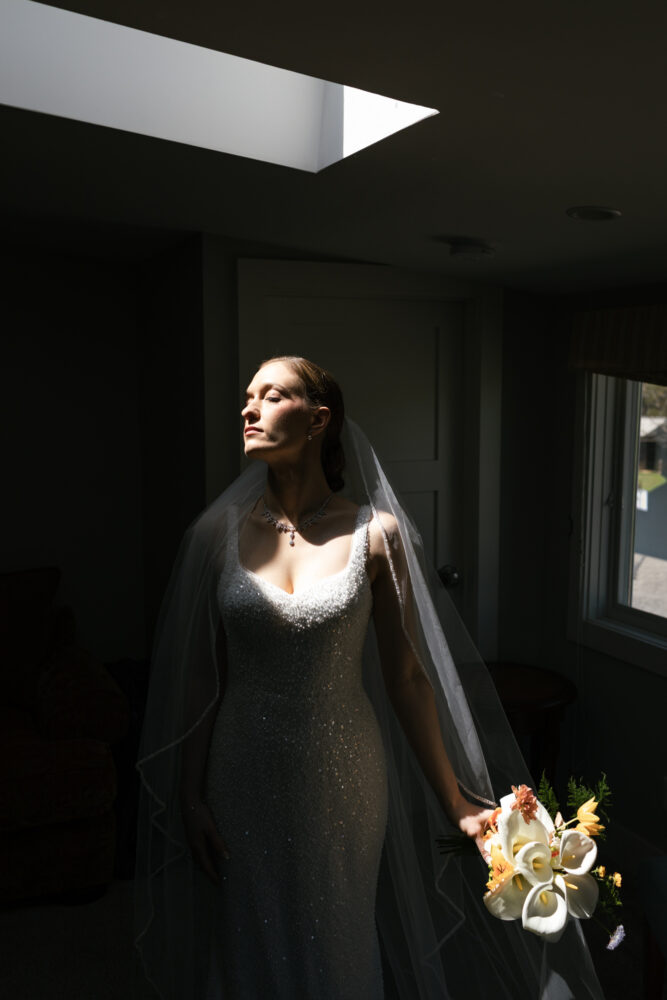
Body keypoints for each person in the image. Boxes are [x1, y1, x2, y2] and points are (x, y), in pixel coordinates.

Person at [135, 357, 603, 999]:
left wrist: (456, 801)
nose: (247, 409)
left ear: (318, 419)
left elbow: (407, 675)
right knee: (249, 937)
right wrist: (191, 795)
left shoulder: (375, 535)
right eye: (247, 397)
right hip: (239, 771)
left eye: (271, 396)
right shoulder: (216, 534)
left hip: (343, 776)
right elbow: (200, 679)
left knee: (335, 937)